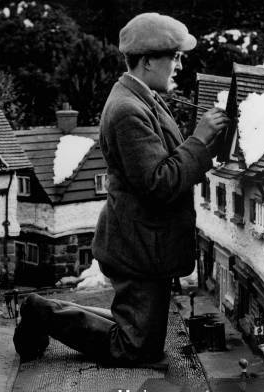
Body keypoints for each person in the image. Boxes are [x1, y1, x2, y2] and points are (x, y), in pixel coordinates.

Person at [13, 12, 229, 366]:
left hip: (144, 242)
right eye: (173, 57)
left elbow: (168, 159)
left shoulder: (142, 97)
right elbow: (158, 183)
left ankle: (46, 310)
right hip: (138, 246)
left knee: (138, 333)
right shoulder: (128, 109)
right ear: (147, 61)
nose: (178, 65)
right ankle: (42, 312)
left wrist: (204, 146)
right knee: (137, 349)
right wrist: (201, 141)